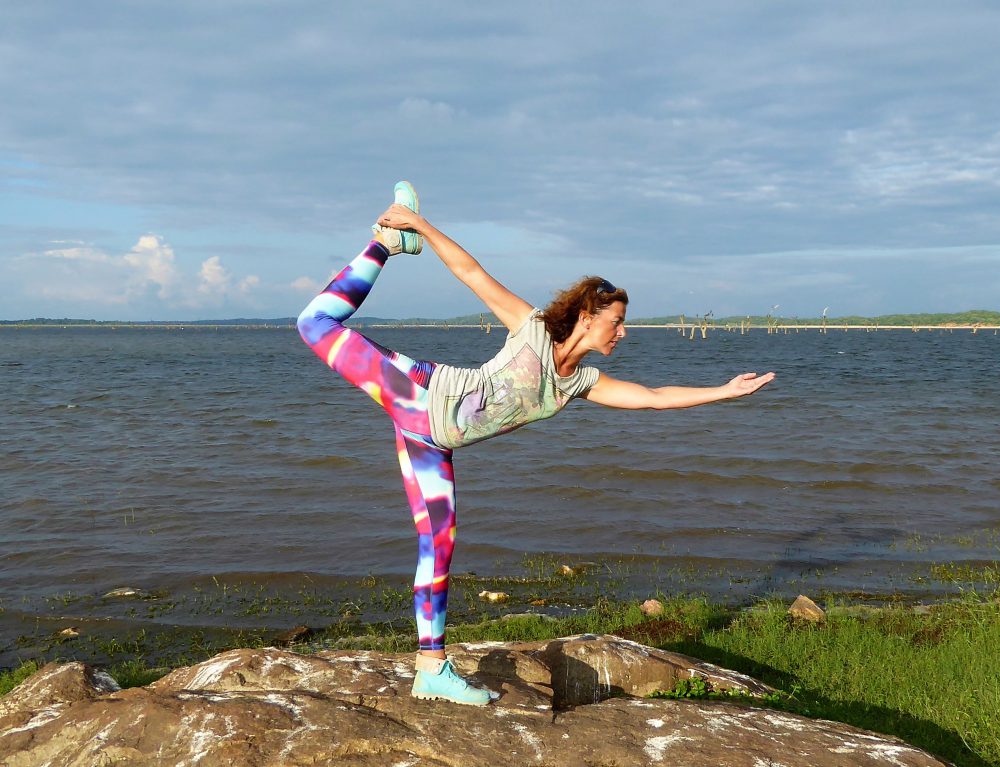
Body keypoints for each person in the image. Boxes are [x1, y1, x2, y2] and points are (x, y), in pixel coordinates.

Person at [297, 181, 775, 706]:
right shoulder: (532, 331)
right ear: (588, 316)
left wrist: (724, 392)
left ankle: (430, 669)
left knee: (439, 545)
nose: (622, 333)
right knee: (314, 323)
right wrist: (420, 227)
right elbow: (472, 274)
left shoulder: (578, 383)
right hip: (421, 394)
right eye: (617, 322)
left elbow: (653, 397)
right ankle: (386, 245)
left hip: (432, 440)